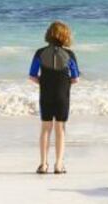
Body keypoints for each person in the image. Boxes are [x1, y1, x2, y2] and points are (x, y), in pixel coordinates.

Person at [29, 20, 80, 174]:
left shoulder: (40, 52)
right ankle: (58, 165)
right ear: (65, 36)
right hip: (62, 96)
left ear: (49, 35)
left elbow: (32, 76)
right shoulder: (70, 54)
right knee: (60, 128)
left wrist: (42, 83)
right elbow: (75, 78)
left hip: (46, 94)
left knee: (45, 128)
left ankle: (43, 164)